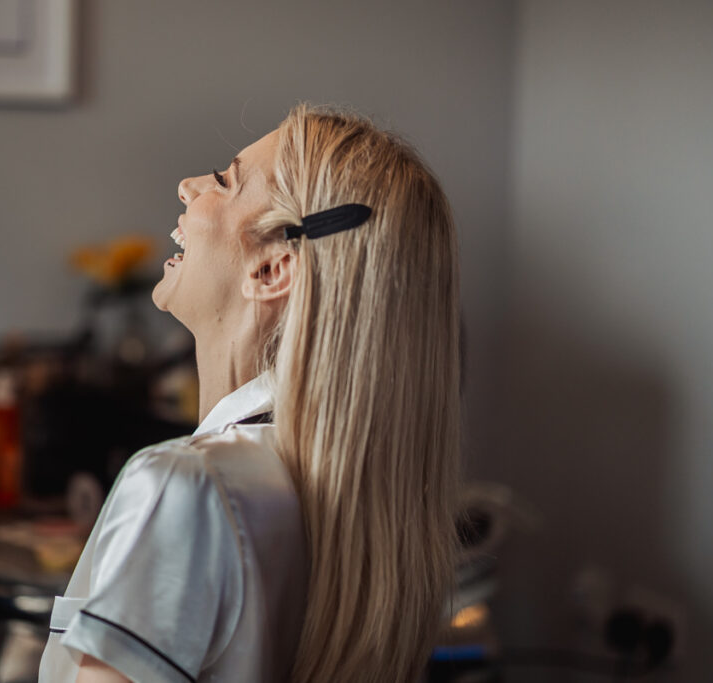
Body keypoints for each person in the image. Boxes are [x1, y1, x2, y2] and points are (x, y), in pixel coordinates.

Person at [39, 104, 462, 683]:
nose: (187, 187)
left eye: (223, 181)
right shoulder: (350, 506)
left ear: (272, 270)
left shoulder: (185, 486)